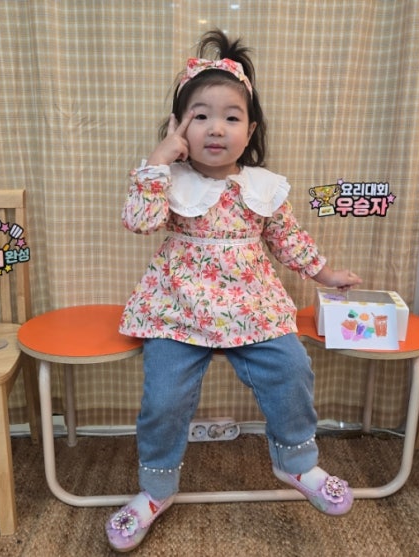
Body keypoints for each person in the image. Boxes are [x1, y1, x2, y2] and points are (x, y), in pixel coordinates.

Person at [108, 29, 362, 552]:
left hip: (252, 305)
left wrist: (324, 274)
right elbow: (139, 221)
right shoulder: (169, 179)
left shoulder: (263, 186)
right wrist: (158, 161)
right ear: (180, 126)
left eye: (231, 117)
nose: (215, 128)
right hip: (178, 308)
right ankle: (156, 489)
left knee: (292, 367)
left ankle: (296, 463)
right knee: (163, 397)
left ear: (250, 130)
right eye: (200, 116)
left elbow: (287, 239)